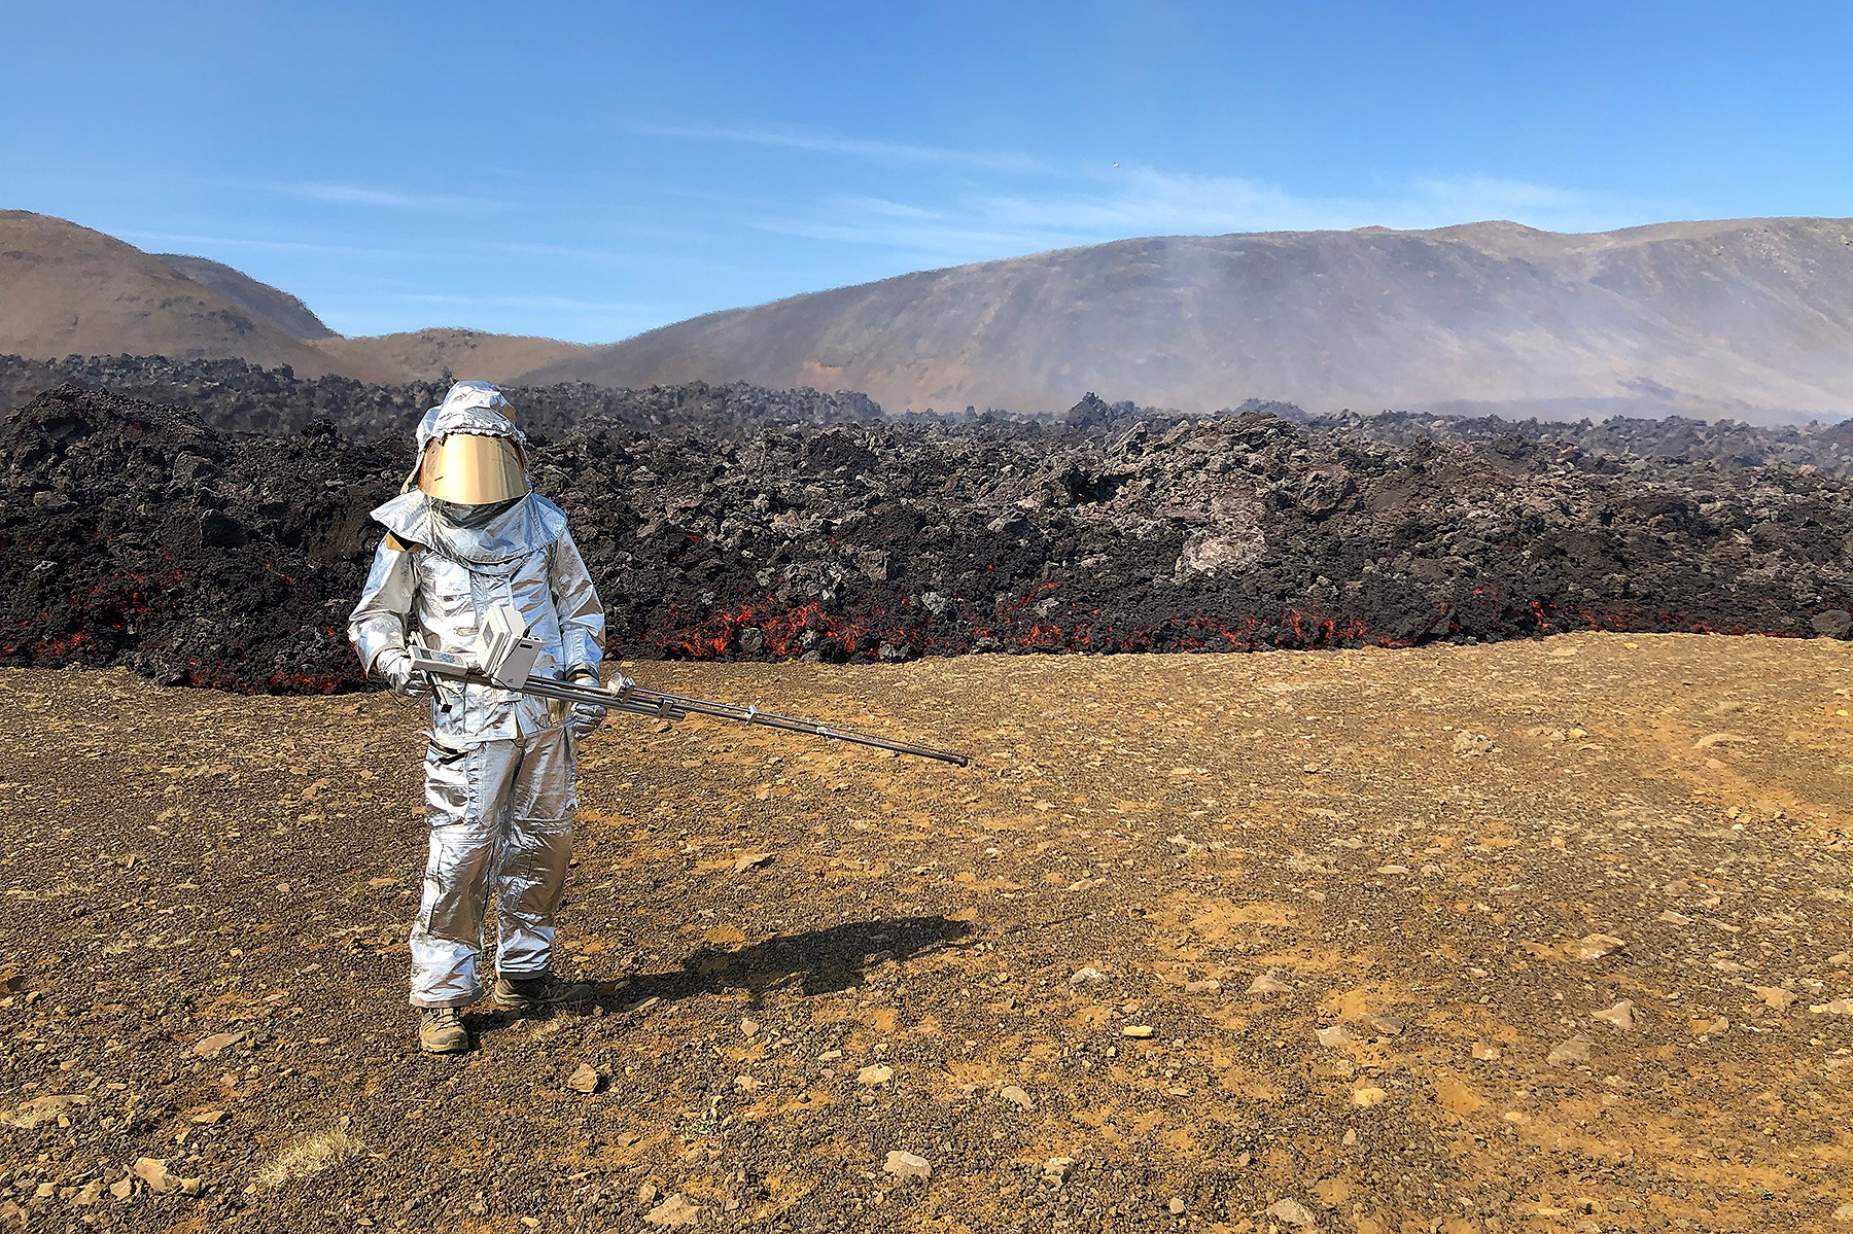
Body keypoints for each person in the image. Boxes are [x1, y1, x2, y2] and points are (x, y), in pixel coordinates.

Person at [347, 380, 622, 1054]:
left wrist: (582, 677)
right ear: (434, 452)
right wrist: (390, 659)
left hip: (543, 713)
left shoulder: (546, 525)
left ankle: (523, 973)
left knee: (543, 844)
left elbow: (577, 611)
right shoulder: (410, 531)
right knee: (462, 853)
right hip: (468, 722)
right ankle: (441, 997)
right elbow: (376, 615)